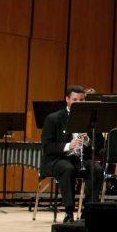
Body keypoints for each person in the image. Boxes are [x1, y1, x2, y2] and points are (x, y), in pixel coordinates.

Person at [40, 85, 103, 221]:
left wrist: (87, 140)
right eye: (75, 100)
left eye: (81, 100)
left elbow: (99, 146)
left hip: (79, 159)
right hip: (57, 160)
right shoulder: (53, 119)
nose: (78, 104)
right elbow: (47, 146)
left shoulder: (91, 119)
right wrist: (68, 145)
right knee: (67, 168)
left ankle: (88, 211)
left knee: (97, 169)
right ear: (67, 99)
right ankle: (69, 212)